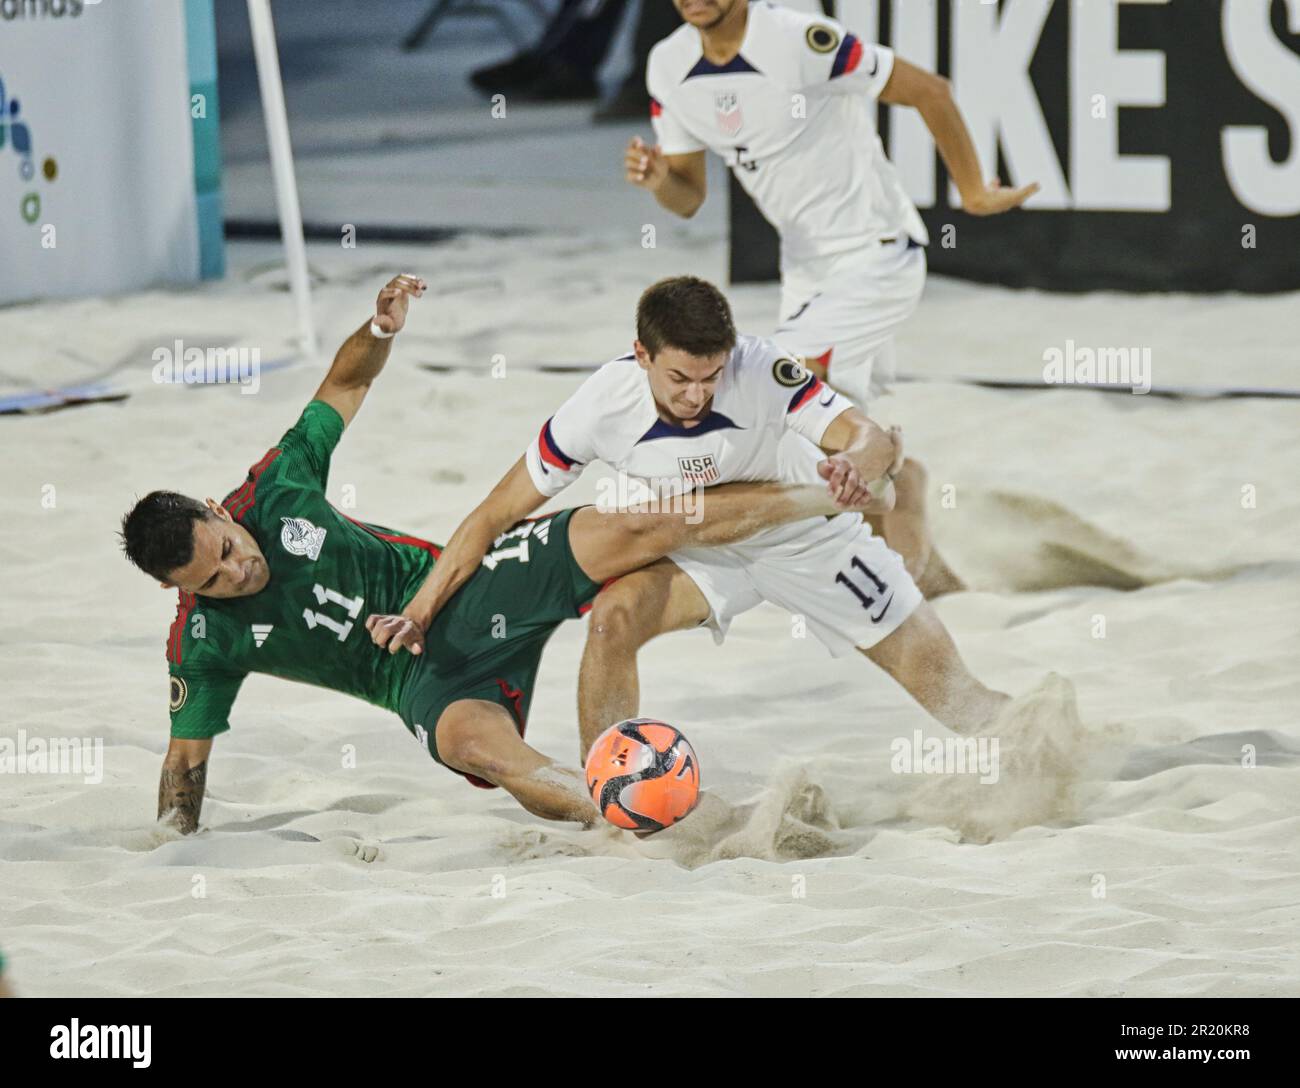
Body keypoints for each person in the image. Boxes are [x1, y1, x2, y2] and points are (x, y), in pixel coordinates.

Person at [120, 275, 880, 833]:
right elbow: (184, 768)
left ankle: (820, 495)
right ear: (176, 591)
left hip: (464, 587)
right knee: (484, 754)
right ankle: (648, 814)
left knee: (630, 522)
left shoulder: (277, 488)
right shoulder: (202, 643)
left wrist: (379, 330)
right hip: (420, 682)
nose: (236, 571)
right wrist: (169, 846)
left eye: (227, 548)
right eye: (211, 580)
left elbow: (343, 383)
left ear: (221, 513)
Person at [375, 276, 1010, 761]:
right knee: (613, 622)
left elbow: (867, 434)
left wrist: (854, 463)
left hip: (808, 536)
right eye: (679, 377)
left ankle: (1058, 749)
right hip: (703, 552)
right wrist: (423, 607)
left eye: (710, 377)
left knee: (961, 704)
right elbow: (493, 514)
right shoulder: (600, 403)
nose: (696, 394)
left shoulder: (762, 367)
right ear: (641, 355)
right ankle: (612, 792)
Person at [625, 0, 1039, 596]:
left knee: (781, 396)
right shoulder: (668, 65)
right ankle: (940, 578)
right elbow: (687, 197)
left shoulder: (801, 40)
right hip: (805, 270)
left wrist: (972, 191)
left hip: (875, 253)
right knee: (834, 432)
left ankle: (902, 518)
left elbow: (930, 89)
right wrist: (659, 177)